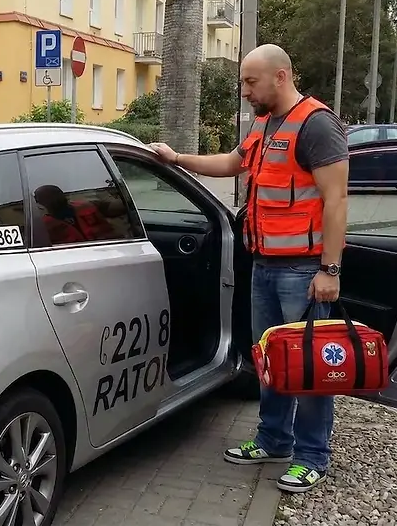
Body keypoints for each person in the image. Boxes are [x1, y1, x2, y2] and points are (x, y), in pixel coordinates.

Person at [148, 43, 349, 494]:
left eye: (250, 81)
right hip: (264, 266)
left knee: (309, 366)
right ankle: (274, 439)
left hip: (304, 271)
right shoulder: (265, 122)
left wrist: (330, 271)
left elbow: (336, 201)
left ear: (281, 76)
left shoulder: (317, 125)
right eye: (242, 81)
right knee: (271, 361)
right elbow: (232, 163)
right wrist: (177, 159)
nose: (244, 91)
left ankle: (312, 455)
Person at [33, 184, 122, 244]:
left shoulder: (86, 206)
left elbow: (114, 207)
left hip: (109, 250)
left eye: (57, 195)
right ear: (40, 204)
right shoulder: (42, 226)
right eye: (49, 198)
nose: (55, 199)